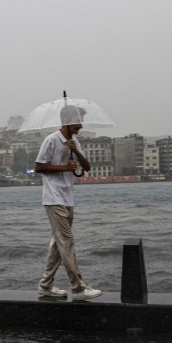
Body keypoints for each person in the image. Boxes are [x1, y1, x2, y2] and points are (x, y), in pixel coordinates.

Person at [35, 105, 103, 301]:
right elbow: (38, 167)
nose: (81, 124)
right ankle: (79, 288)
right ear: (69, 119)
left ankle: (46, 285)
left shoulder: (74, 141)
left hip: (67, 198)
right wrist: (65, 167)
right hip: (53, 198)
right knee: (66, 242)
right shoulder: (51, 140)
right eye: (79, 119)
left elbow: (87, 167)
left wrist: (77, 152)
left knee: (58, 243)